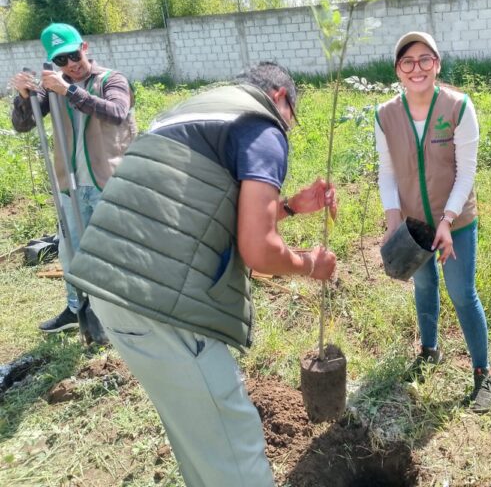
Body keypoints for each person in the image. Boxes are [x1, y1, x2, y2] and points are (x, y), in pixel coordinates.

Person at [65, 62, 337, 487]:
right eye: (292, 117)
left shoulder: (193, 109)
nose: (287, 127)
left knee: (199, 442)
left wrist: (290, 207)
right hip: (161, 301)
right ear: (281, 96)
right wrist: (310, 266)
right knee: (234, 445)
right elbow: (258, 250)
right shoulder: (262, 124)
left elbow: (200, 213)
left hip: (112, 288)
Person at [376, 31, 491, 413]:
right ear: (398, 70)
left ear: (437, 65)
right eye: (408, 62)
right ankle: (429, 352)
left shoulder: (459, 107)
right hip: (413, 226)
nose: (417, 68)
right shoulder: (385, 115)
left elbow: (467, 172)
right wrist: (394, 222)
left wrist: (447, 219)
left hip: (456, 222)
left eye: (425, 60)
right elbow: (387, 172)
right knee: (423, 286)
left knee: (463, 294)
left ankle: (483, 373)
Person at [10, 23, 137, 334]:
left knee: (115, 250)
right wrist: (23, 97)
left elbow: (118, 112)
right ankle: (76, 308)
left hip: (108, 182)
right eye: (60, 61)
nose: (70, 65)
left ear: (85, 47)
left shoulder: (110, 79)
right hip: (70, 184)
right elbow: (24, 125)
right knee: (72, 252)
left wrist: (69, 90)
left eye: (72, 55)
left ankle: (126, 313)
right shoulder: (54, 89)